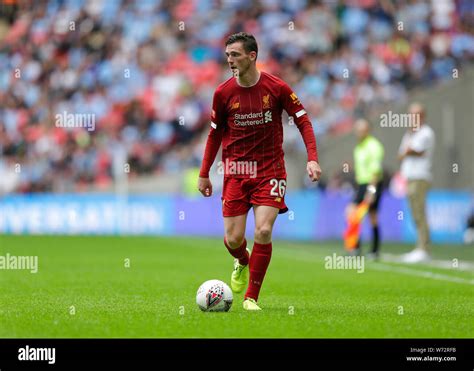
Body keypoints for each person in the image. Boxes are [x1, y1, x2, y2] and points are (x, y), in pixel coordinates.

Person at [197, 32, 321, 311]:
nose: (230, 60)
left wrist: (312, 158)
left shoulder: (276, 88)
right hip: (236, 172)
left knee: (263, 230)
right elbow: (214, 135)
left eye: (235, 55)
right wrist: (204, 173)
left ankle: (251, 298)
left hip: (270, 171)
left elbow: (303, 121)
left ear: (252, 56)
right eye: (227, 55)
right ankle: (242, 260)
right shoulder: (223, 93)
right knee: (233, 239)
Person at [398, 102, 435, 263]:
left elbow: (415, 151)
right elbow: (401, 154)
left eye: (415, 114)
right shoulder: (410, 134)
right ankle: (419, 247)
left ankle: (424, 249)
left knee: (420, 212)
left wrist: (408, 151)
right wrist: (408, 151)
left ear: (422, 116)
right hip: (410, 177)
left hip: (420, 176)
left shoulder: (425, 132)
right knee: (415, 213)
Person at [348, 118, 385, 259]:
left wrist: (371, 191)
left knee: (372, 216)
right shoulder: (359, 147)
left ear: (368, 130)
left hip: (372, 184)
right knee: (353, 214)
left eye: (361, 130)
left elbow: (375, 171)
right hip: (361, 185)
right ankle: (355, 248)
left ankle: (374, 250)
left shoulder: (374, 146)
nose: (358, 132)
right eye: (357, 130)